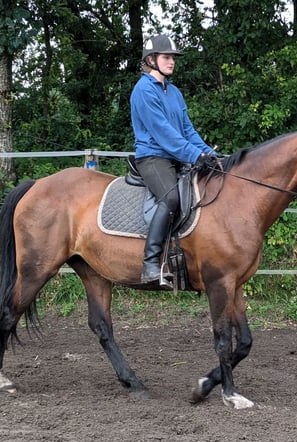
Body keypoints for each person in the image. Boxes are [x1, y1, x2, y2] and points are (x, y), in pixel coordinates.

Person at [130, 34, 220, 286]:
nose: (172, 62)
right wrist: (194, 155)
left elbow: (187, 131)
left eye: (173, 58)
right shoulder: (144, 91)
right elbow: (164, 135)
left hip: (176, 157)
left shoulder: (175, 92)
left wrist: (209, 154)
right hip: (153, 157)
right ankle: (150, 264)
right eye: (166, 57)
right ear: (151, 59)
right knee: (170, 197)